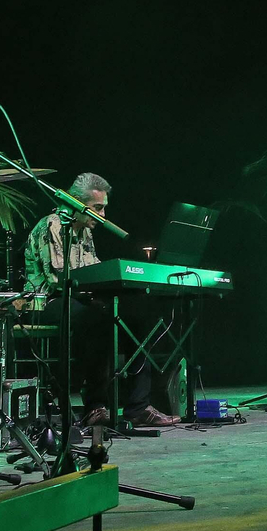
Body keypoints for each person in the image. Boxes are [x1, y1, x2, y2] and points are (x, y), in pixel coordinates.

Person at [24, 172, 180, 429]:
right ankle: (95, 407)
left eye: (104, 208)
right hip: (47, 302)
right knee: (97, 317)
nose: (103, 216)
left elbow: (92, 268)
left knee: (137, 316)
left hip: (81, 299)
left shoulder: (85, 230)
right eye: (97, 208)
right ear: (76, 202)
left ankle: (138, 407)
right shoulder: (53, 225)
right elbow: (58, 280)